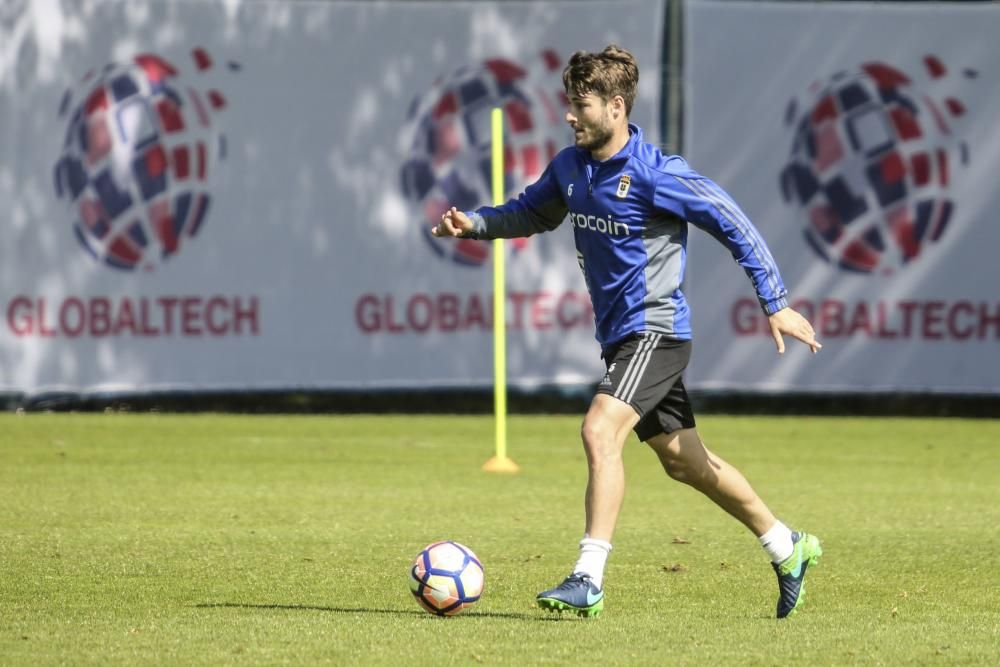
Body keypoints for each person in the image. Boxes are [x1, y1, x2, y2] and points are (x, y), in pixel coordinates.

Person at [431, 45, 822, 619]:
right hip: (620, 338)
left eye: (581, 105)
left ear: (616, 107)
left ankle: (588, 577)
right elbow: (532, 213)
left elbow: (732, 220)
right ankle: (788, 546)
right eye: (568, 103)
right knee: (684, 460)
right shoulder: (571, 168)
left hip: (656, 332)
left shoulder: (656, 172)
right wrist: (478, 223)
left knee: (599, 429)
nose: (569, 115)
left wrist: (777, 302)